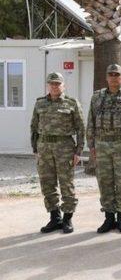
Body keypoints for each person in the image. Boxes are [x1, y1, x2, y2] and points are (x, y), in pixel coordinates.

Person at [87, 64, 121, 234]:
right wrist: (91, 146)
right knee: (104, 181)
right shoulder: (96, 98)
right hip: (101, 145)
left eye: (117, 74)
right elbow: (91, 122)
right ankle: (109, 218)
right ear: (106, 77)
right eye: (111, 74)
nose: (114, 77)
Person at [30, 72, 84, 234]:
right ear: (48, 85)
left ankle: (67, 219)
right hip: (44, 147)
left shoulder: (72, 103)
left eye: (57, 84)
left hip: (65, 148)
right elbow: (33, 127)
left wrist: (78, 151)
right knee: (47, 183)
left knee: (66, 183)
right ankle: (55, 218)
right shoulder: (40, 103)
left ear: (63, 85)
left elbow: (81, 128)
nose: (54, 86)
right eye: (52, 83)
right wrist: (35, 149)